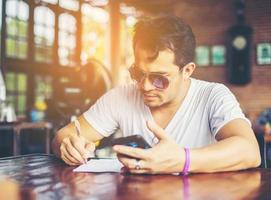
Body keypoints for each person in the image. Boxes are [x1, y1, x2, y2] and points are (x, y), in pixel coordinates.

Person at [52, 15, 260, 174]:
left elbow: (250, 151)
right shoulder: (120, 97)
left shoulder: (213, 96)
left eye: (159, 78)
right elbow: (64, 135)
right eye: (138, 73)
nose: (145, 86)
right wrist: (68, 146)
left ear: (187, 70)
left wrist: (183, 160)